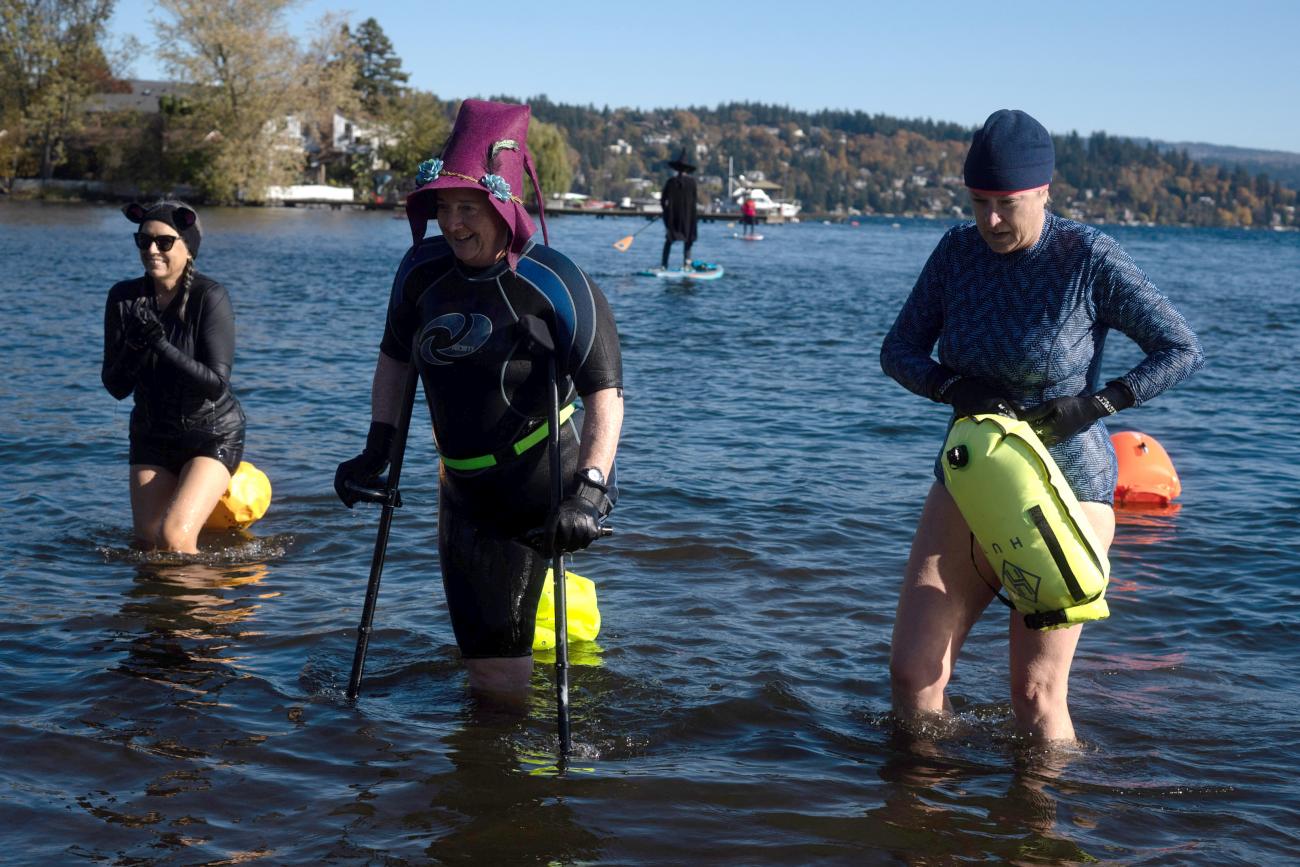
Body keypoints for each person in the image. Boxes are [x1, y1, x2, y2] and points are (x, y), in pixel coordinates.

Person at [879, 109, 1204, 741]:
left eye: (1007, 204)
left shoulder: (1088, 258)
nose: (992, 220)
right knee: (912, 672)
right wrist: (951, 385)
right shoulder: (955, 252)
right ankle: (919, 823)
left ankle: (1044, 831)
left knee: (1034, 694)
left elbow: (1180, 347)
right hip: (973, 478)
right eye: (979, 203)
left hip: (1069, 487)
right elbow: (899, 352)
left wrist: (1100, 404)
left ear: (1044, 190)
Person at [334, 99, 624, 697]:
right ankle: (490, 778)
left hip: (544, 480)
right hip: (462, 488)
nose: (454, 223)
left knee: (500, 681)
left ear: (504, 207)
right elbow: (394, 358)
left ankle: (528, 778)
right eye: (443, 208)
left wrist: (591, 491)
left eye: (469, 208)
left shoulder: (555, 282)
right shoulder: (420, 273)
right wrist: (376, 450)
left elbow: (605, 394)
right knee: (487, 678)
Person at [102, 201, 246, 554]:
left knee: (173, 538)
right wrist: (135, 347)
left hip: (210, 433)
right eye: (143, 241)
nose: (151, 249)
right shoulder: (124, 298)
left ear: (188, 247)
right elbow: (116, 387)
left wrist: (160, 344)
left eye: (164, 242)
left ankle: (202, 610)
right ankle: (158, 611)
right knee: (147, 546)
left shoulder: (209, 297)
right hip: (152, 433)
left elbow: (215, 384)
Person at [660, 148, 699, 270]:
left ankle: (664, 265)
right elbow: (694, 201)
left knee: (669, 240)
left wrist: (666, 212)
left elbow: (662, 201)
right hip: (687, 218)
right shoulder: (692, 183)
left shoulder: (671, 182)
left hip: (673, 217)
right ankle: (686, 263)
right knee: (687, 241)